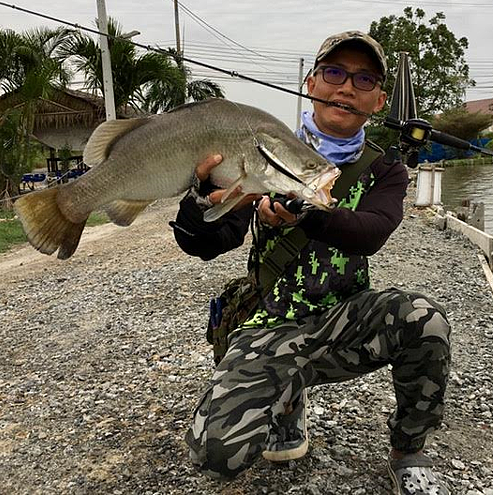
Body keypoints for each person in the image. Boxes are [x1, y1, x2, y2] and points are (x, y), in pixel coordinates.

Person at [171, 30, 451, 495]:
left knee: (425, 320)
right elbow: (205, 244)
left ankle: (408, 449)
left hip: (346, 321)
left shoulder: (386, 169)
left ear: (379, 101)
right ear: (310, 83)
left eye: (364, 80)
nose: (346, 87)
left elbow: (371, 233)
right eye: (334, 73)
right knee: (214, 453)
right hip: (270, 324)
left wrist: (308, 212)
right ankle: (285, 397)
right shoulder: (260, 148)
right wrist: (199, 200)